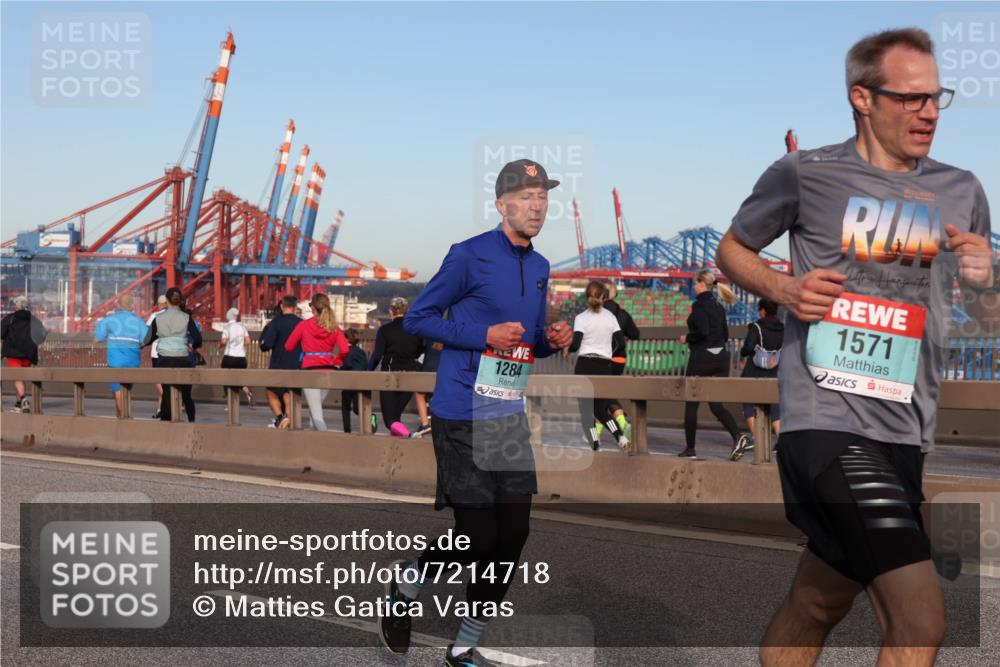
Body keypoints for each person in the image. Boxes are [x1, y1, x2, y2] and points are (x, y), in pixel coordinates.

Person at [716, 28, 993, 666]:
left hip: (906, 432)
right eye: (910, 98)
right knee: (920, 617)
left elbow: (984, 310)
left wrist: (988, 278)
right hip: (826, 425)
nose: (928, 113)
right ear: (862, 98)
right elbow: (732, 250)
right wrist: (784, 288)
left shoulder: (962, 188)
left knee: (817, 605)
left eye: (936, 98)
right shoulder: (804, 173)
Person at [379, 159, 572, 666]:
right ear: (502, 204)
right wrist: (481, 335)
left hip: (505, 412)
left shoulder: (541, 266)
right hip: (461, 410)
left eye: (543, 197)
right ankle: (405, 586)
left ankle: (464, 645)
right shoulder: (468, 255)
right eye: (527, 196)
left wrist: (548, 341)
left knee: (513, 537)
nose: (537, 206)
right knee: (476, 539)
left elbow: (522, 340)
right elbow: (420, 319)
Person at [677, 269, 750, 458]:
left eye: (695, 283)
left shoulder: (699, 306)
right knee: (716, 404)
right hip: (721, 359)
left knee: (691, 403)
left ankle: (690, 448)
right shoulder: (719, 306)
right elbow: (725, 335)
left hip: (702, 359)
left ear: (701, 284)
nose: (693, 286)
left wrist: (687, 338)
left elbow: (702, 332)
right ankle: (738, 436)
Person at [570, 280, 632, 452]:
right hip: (604, 367)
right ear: (603, 297)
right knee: (601, 411)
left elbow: (576, 344)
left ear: (587, 297)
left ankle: (595, 444)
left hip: (584, 366)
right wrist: (607, 352)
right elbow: (620, 343)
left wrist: (568, 348)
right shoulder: (611, 317)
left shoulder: (581, 318)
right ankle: (620, 436)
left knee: (585, 411)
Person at [284, 293, 348, 431]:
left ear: (313, 308)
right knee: (315, 411)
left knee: (316, 415)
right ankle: (313, 447)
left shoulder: (304, 325)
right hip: (329, 372)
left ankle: (328, 444)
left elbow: (288, 346)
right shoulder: (334, 327)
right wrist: (334, 359)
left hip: (310, 372)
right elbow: (344, 349)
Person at [730, 298, 784, 461]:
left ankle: (758, 439)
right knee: (775, 408)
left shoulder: (756, 327)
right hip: (775, 370)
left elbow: (747, 347)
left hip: (754, 371)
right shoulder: (783, 328)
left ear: (762, 310)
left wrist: (744, 354)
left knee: (748, 403)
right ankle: (781, 442)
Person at [367, 297, 424, 437]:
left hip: (390, 376)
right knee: (396, 416)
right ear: (407, 311)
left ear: (391, 311)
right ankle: (396, 451)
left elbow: (377, 355)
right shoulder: (415, 330)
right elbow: (420, 350)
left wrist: (368, 371)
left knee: (390, 420)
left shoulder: (385, 330)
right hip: (411, 374)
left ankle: (408, 436)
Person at [144, 287, 201, 422]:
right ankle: (192, 422)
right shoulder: (186, 317)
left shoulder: (158, 318)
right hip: (183, 358)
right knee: (186, 395)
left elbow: (148, 339)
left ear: (167, 301)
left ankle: (166, 425)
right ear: (179, 301)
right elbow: (198, 338)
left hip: (165, 360)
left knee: (167, 394)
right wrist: (193, 346)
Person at [93, 294, 148, 417]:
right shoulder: (139, 322)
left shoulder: (109, 321)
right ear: (132, 306)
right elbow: (146, 340)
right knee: (126, 390)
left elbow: (96, 339)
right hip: (133, 362)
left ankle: (124, 417)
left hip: (115, 362)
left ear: (118, 305)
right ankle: (120, 418)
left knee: (117, 390)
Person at [259, 295, 301, 429]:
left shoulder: (276, 322)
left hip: (278, 364)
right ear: (295, 308)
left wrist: (263, 344)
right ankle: (289, 420)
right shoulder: (302, 323)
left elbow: (267, 345)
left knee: (271, 392)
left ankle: (279, 418)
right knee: (289, 395)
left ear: (282, 306)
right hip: (297, 366)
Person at [1, 295, 48, 413]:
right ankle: (19, 405)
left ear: (17, 305)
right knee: (21, 378)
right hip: (29, 354)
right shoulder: (34, 320)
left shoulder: (9, 319)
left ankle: (23, 399)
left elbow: (0, 333)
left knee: (17, 378)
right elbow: (42, 335)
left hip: (14, 353)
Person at [219, 307, 254, 408]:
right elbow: (248, 341)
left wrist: (220, 345)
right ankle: (247, 392)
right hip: (241, 358)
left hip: (229, 357)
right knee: (239, 379)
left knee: (226, 379)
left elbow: (224, 341)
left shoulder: (227, 328)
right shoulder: (242, 327)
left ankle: (231, 403)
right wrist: (240, 345)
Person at [603, 282, 641, 375]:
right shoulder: (623, 314)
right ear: (615, 295)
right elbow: (635, 334)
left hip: (599, 359)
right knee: (614, 387)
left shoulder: (595, 314)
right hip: (618, 359)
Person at [411, 337, 443, 438]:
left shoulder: (429, 335)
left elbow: (419, 350)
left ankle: (425, 424)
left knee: (420, 393)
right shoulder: (451, 334)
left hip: (429, 369)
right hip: (444, 369)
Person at [339, 328, 369, 433]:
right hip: (360, 382)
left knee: (345, 406)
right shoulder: (361, 351)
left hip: (349, 382)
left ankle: (347, 430)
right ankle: (369, 419)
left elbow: (347, 365)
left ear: (346, 339)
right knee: (357, 408)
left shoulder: (347, 352)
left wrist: (339, 368)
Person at [147, 294, 168, 418]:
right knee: (165, 380)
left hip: (156, 352)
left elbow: (148, 334)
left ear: (160, 304)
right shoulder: (175, 316)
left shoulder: (154, 316)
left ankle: (169, 401)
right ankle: (160, 410)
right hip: (171, 352)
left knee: (158, 380)